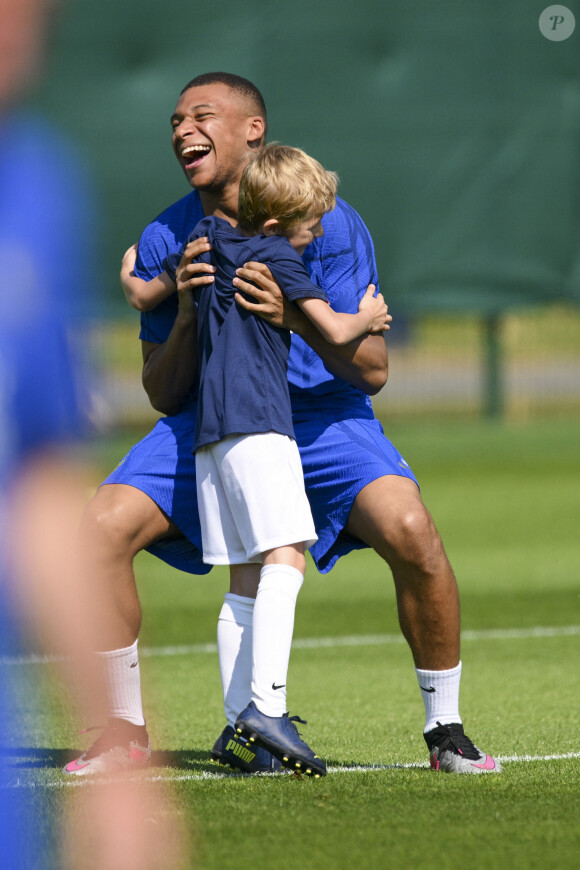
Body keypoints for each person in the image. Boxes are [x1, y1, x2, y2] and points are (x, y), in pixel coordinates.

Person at [66, 71, 501, 777]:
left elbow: (373, 369)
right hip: (219, 416)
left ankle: (444, 728)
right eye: (174, 121)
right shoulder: (167, 238)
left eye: (201, 115)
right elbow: (159, 390)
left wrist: (289, 311)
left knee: (414, 533)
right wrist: (181, 313)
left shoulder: (324, 217)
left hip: (325, 419)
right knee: (98, 532)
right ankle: (129, 730)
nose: (182, 130)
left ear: (253, 130)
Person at [122, 143, 390, 776]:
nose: (319, 232)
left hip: (210, 433)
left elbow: (143, 293)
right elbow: (332, 329)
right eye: (311, 223)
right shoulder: (276, 255)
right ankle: (267, 707)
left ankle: (241, 731)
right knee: (287, 552)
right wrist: (370, 314)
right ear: (275, 225)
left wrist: (133, 279)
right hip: (259, 423)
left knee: (244, 574)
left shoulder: (212, 236)